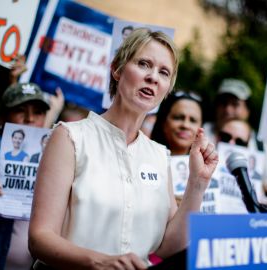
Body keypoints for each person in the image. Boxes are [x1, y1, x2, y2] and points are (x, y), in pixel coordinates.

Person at [29, 28, 218, 269]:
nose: (153, 77)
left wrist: (198, 183)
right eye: (143, 64)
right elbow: (39, 238)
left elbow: (168, 245)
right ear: (117, 69)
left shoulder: (159, 155)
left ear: (166, 89)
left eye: (164, 72)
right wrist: (101, 262)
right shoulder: (70, 137)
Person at [0, 82, 51, 270]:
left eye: (38, 112)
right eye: (21, 110)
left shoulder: (56, 160)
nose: (30, 118)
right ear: (3, 118)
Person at [203, 78, 267, 193]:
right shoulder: (202, 133)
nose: (228, 110)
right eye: (223, 103)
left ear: (247, 110)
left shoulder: (260, 143)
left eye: (235, 104)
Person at [151, 90, 203, 155]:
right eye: (178, 118)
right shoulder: (144, 157)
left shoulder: (208, 164)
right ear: (164, 123)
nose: (185, 125)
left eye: (193, 120)